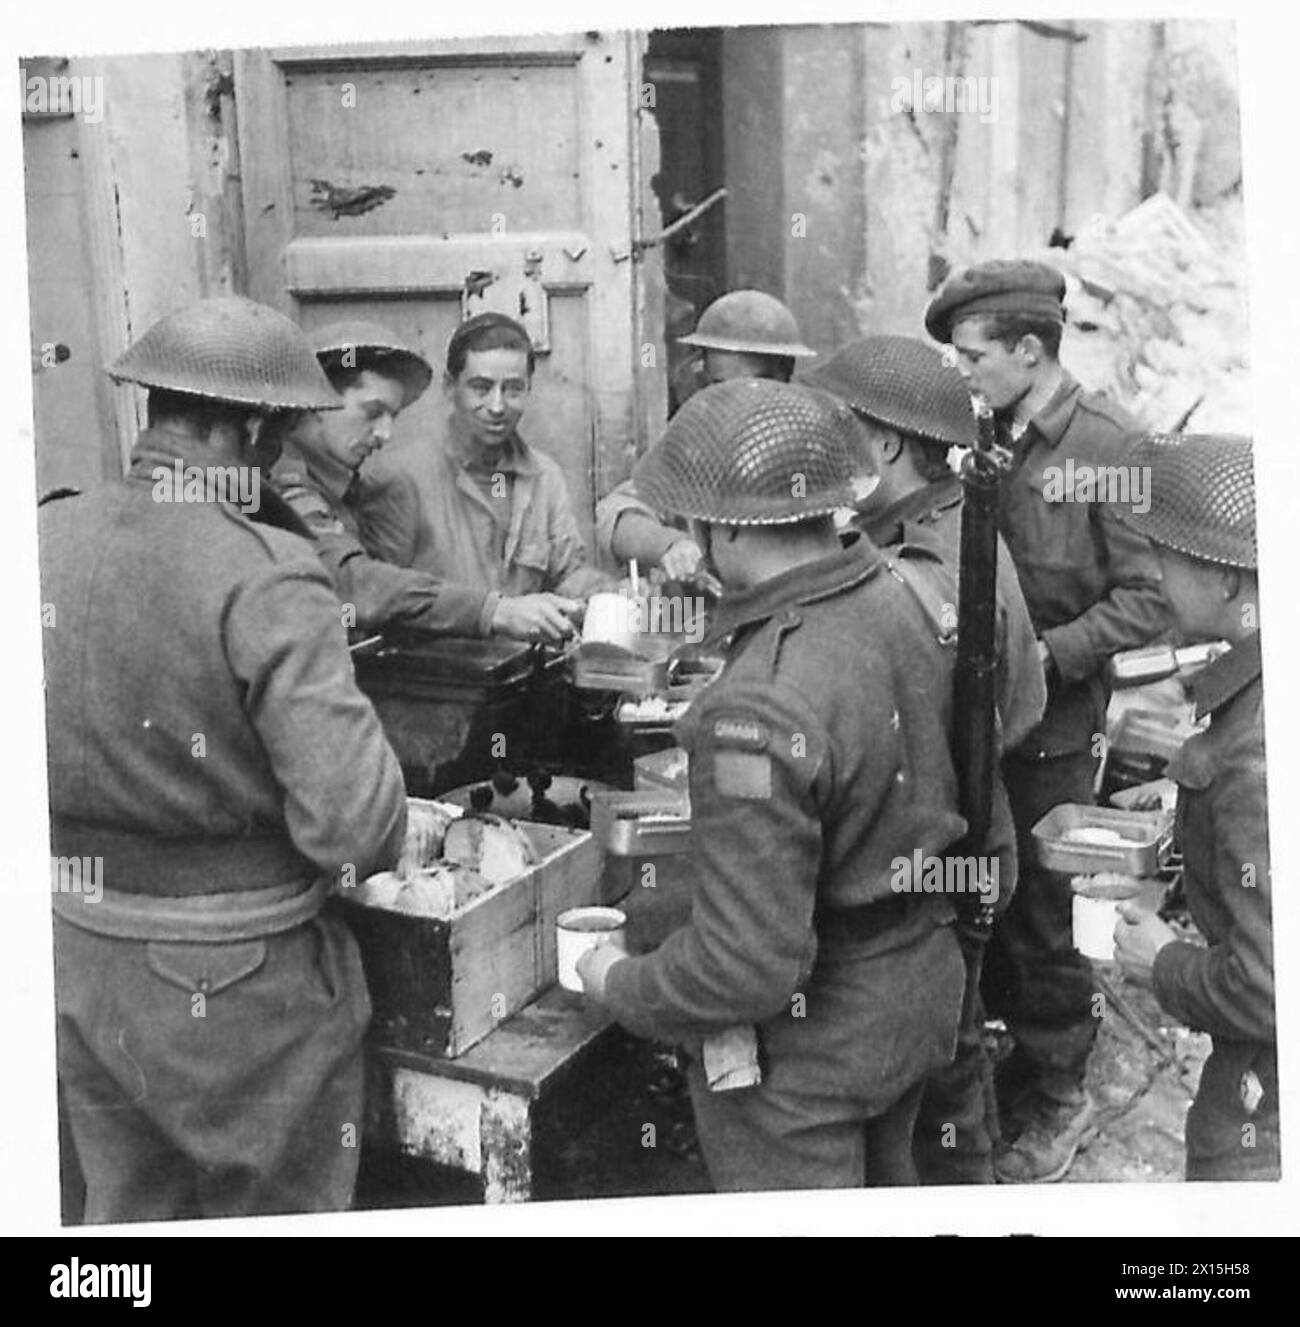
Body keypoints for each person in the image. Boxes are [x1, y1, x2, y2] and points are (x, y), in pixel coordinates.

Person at [42, 297, 409, 1222]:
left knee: (125, 1222)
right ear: (249, 427)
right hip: (236, 982)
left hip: (76, 949)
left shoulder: (41, 539)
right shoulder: (270, 573)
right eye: (274, 442)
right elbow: (356, 832)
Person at [576, 378, 968, 1191]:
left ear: (718, 530)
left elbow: (743, 969)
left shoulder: (754, 704)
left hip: (810, 1056)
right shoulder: (909, 596)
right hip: (918, 994)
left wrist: (617, 979)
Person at [925, 259, 1168, 1182]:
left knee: (1043, 911)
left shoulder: (1111, 446)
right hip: (977, 710)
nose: (963, 374)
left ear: (1030, 350)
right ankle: (1001, 1056)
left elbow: (1149, 599)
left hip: (1057, 726)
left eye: (974, 356)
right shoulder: (986, 430)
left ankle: (1062, 1089)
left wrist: (1049, 656)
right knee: (977, 883)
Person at [804, 333, 1046, 1183]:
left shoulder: (929, 565)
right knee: (950, 1046)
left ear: (886, 445)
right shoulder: (942, 524)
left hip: (953, 849)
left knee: (941, 1073)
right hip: (968, 834)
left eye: (841, 428)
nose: (826, 444)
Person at [1112, 434, 1275, 1181]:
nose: (1155, 573)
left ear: (1227, 578)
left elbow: (1272, 989)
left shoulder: (1253, 761)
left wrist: (1164, 962)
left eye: (1169, 558)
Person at [271, 319, 574, 643]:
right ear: (319, 400)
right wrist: (492, 611)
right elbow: (354, 582)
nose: (385, 434)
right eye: (372, 412)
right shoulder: (283, 483)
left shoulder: (337, 487)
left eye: (392, 416)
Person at [359, 312, 609, 641]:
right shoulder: (400, 477)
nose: (497, 406)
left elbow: (566, 575)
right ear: (450, 388)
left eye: (513, 389)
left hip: (521, 675)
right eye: (481, 388)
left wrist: (608, 594)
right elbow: (379, 600)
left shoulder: (544, 476)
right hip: (435, 679)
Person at [595, 290, 815, 587]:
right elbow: (617, 516)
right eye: (719, 385)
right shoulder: (695, 441)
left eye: (752, 385)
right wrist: (671, 546)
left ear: (782, 380)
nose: (733, 400)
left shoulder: (813, 450)